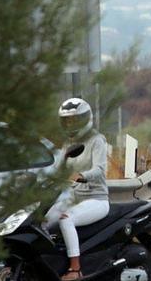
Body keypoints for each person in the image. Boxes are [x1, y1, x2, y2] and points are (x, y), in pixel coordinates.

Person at [43, 98, 110, 281]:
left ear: (85, 119)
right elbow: (59, 168)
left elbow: (100, 170)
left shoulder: (97, 140)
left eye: (75, 120)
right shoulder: (68, 143)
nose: (71, 124)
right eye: (68, 121)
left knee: (66, 219)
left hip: (96, 199)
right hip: (73, 197)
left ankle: (75, 268)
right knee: (42, 222)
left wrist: (81, 176)